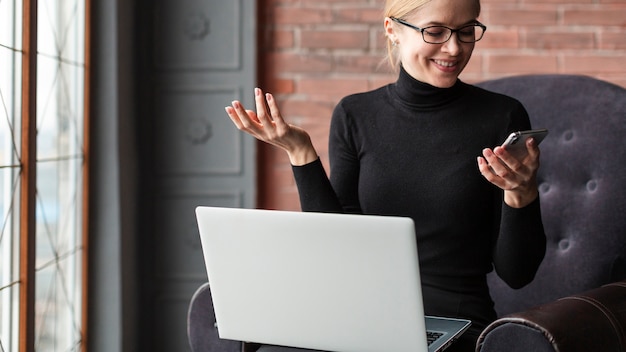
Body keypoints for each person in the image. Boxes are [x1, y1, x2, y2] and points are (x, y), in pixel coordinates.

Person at [225, 0, 546, 350]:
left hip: (456, 322)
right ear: (392, 30)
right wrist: (300, 152)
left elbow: (518, 274)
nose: (454, 48)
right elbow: (338, 252)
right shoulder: (355, 114)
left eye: (466, 31)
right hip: (360, 314)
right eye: (435, 32)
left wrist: (521, 192)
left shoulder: (502, 116)